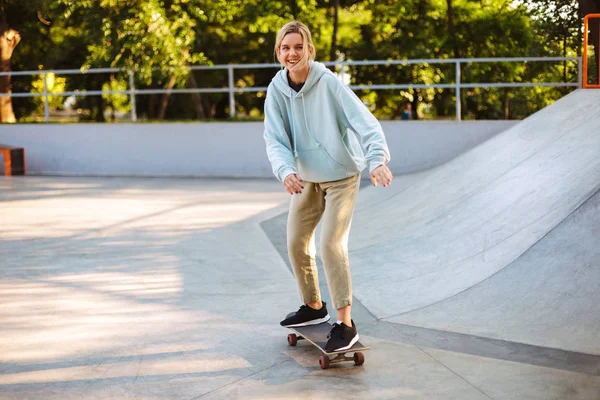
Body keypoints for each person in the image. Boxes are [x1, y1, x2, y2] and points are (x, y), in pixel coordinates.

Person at [263, 21, 393, 352]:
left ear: (309, 50)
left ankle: (346, 324)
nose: (292, 53)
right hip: (306, 177)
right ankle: (313, 307)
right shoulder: (277, 89)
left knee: (331, 245)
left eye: (298, 47)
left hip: (340, 176)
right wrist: (285, 170)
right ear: (278, 53)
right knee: (295, 242)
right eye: (285, 48)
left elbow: (365, 122)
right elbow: (275, 138)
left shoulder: (328, 83)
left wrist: (376, 160)